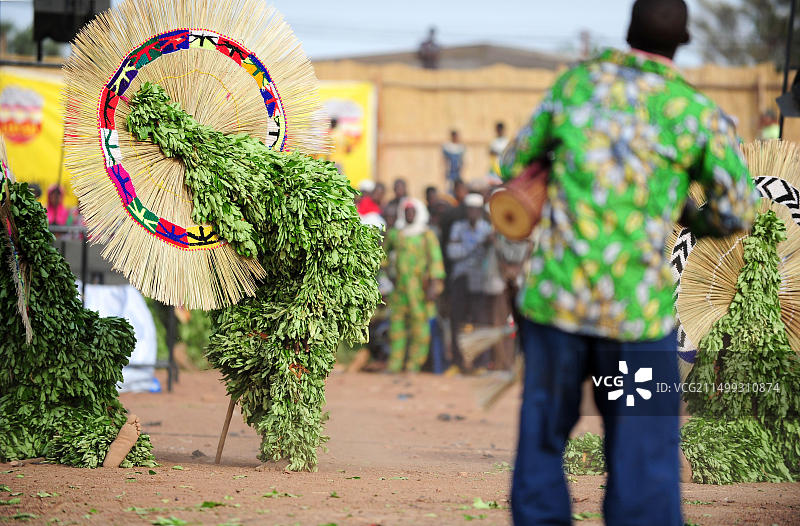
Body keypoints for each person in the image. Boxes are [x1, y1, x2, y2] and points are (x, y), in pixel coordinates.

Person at [500, 1, 761, 524]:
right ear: (683, 40)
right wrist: (687, 211)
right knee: (643, 465)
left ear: (627, 33)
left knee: (542, 444)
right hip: (636, 316)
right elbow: (737, 210)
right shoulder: (694, 113)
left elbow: (512, 162)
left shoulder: (576, 87)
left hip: (556, 305)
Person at [384, 198, 445, 373]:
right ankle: (394, 365)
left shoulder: (426, 235)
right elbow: (384, 257)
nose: (409, 215)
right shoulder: (397, 234)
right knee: (397, 328)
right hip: (400, 291)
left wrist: (434, 285)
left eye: (412, 212)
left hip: (420, 291)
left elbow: (436, 261)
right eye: (406, 212)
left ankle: (414, 365)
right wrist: (389, 276)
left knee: (420, 330)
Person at [446, 193, 492, 372]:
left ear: (480, 211)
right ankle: (458, 362)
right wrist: (476, 246)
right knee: (457, 320)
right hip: (461, 279)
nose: (473, 212)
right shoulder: (458, 228)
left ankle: (480, 362)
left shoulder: (487, 229)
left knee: (480, 321)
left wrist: (468, 249)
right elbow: (452, 253)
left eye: (476, 209)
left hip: (479, 281)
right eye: (470, 209)